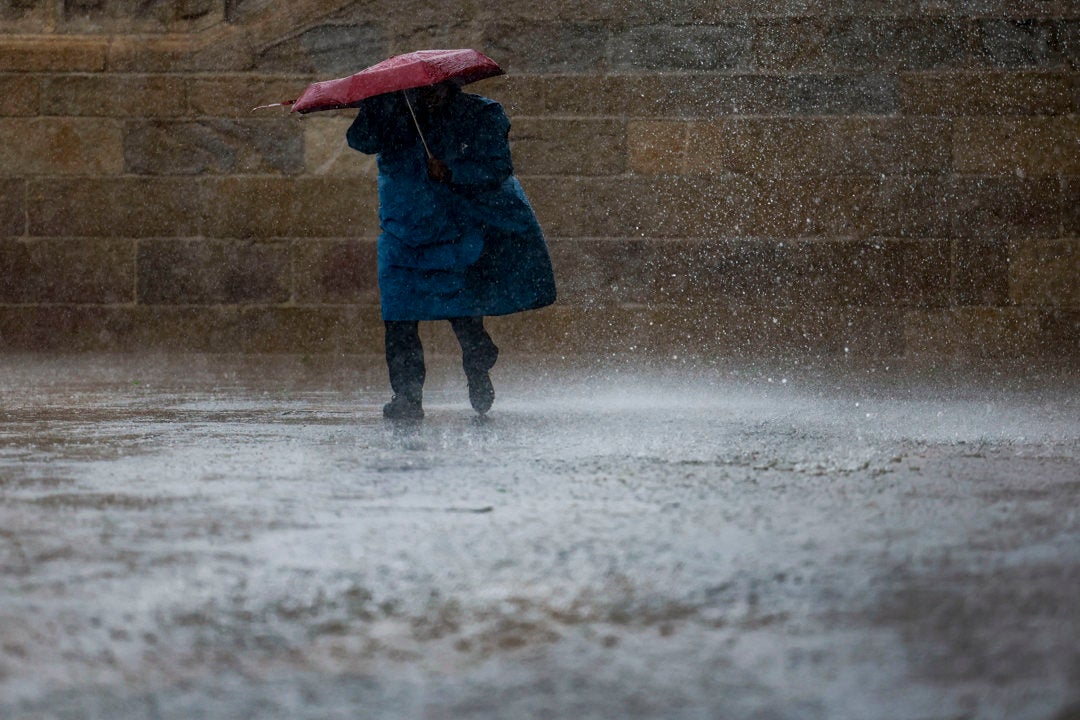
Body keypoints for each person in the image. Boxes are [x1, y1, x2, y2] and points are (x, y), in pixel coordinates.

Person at [346, 80, 556, 420]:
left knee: (461, 308)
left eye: (436, 91)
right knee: (399, 315)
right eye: (421, 91)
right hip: (403, 228)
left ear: (451, 84)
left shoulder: (481, 112)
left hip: (454, 226)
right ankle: (407, 397)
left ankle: (477, 358)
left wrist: (453, 172)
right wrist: (385, 108)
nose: (428, 97)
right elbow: (360, 140)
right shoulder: (391, 106)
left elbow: (498, 167)